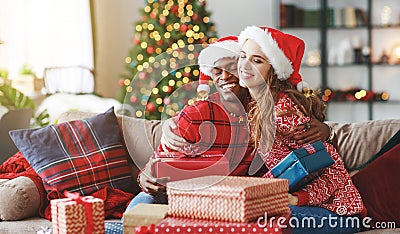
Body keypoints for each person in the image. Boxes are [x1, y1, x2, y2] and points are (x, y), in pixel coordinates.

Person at [129, 36, 332, 210]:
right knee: (139, 208)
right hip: (183, 197)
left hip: (237, 202)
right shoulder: (198, 113)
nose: (224, 76)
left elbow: (318, 152)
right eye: (217, 71)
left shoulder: (270, 112)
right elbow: (159, 163)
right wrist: (145, 176)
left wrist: (326, 131)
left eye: (231, 68)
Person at [237, 25, 366, 233]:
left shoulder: (283, 110)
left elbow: (331, 166)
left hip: (339, 213)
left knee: (257, 220)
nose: (244, 65)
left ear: (274, 71)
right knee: (241, 213)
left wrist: (297, 198)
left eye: (257, 60)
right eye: (243, 56)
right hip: (306, 206)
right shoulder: (256, 108)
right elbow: (285, 169)